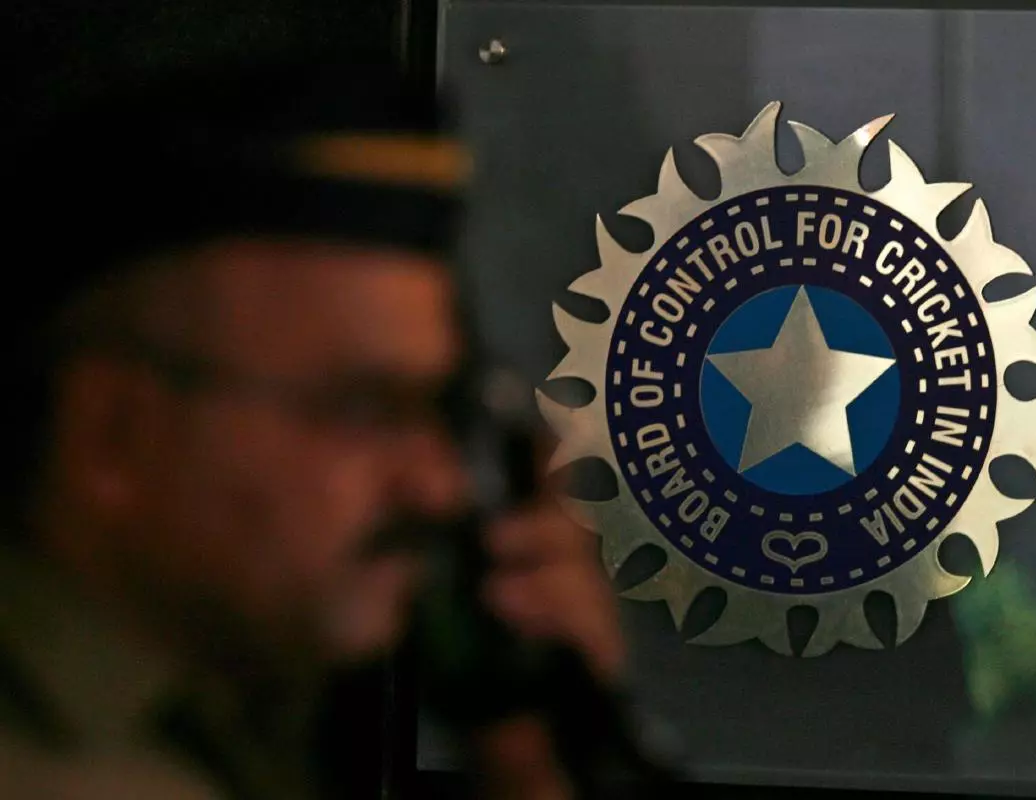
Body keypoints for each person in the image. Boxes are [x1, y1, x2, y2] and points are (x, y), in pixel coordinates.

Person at [0, 53, 624, 799]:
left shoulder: (220, 722)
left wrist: (525, 751)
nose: (438, 487)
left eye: (437, 412)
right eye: (362, 409)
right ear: (112, 434)